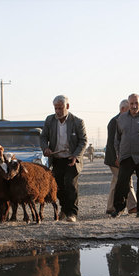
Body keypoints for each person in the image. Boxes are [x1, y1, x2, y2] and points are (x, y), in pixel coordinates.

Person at [40, 95, 88, 223]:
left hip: (71, 159)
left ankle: (72, 213)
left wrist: (76, 155)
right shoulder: (50, 120)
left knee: (70, 184)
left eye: (60, 108)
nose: (58, 111)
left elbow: (83, 141)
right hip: (57, 158)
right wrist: (45, 149)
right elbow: (43, 137)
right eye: (55, 108)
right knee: (58, 186)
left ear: (67, 106)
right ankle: (64, 210)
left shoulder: (77, 122)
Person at [105, 99, 137, 215]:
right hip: (116, 158)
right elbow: (113, 143)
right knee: (125, 180)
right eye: (129, 109)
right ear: (123, 109)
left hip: (123, 157)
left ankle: (111, 207)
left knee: (117, 181)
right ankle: (132, 206)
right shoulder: (115, 121)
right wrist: (117, 158)